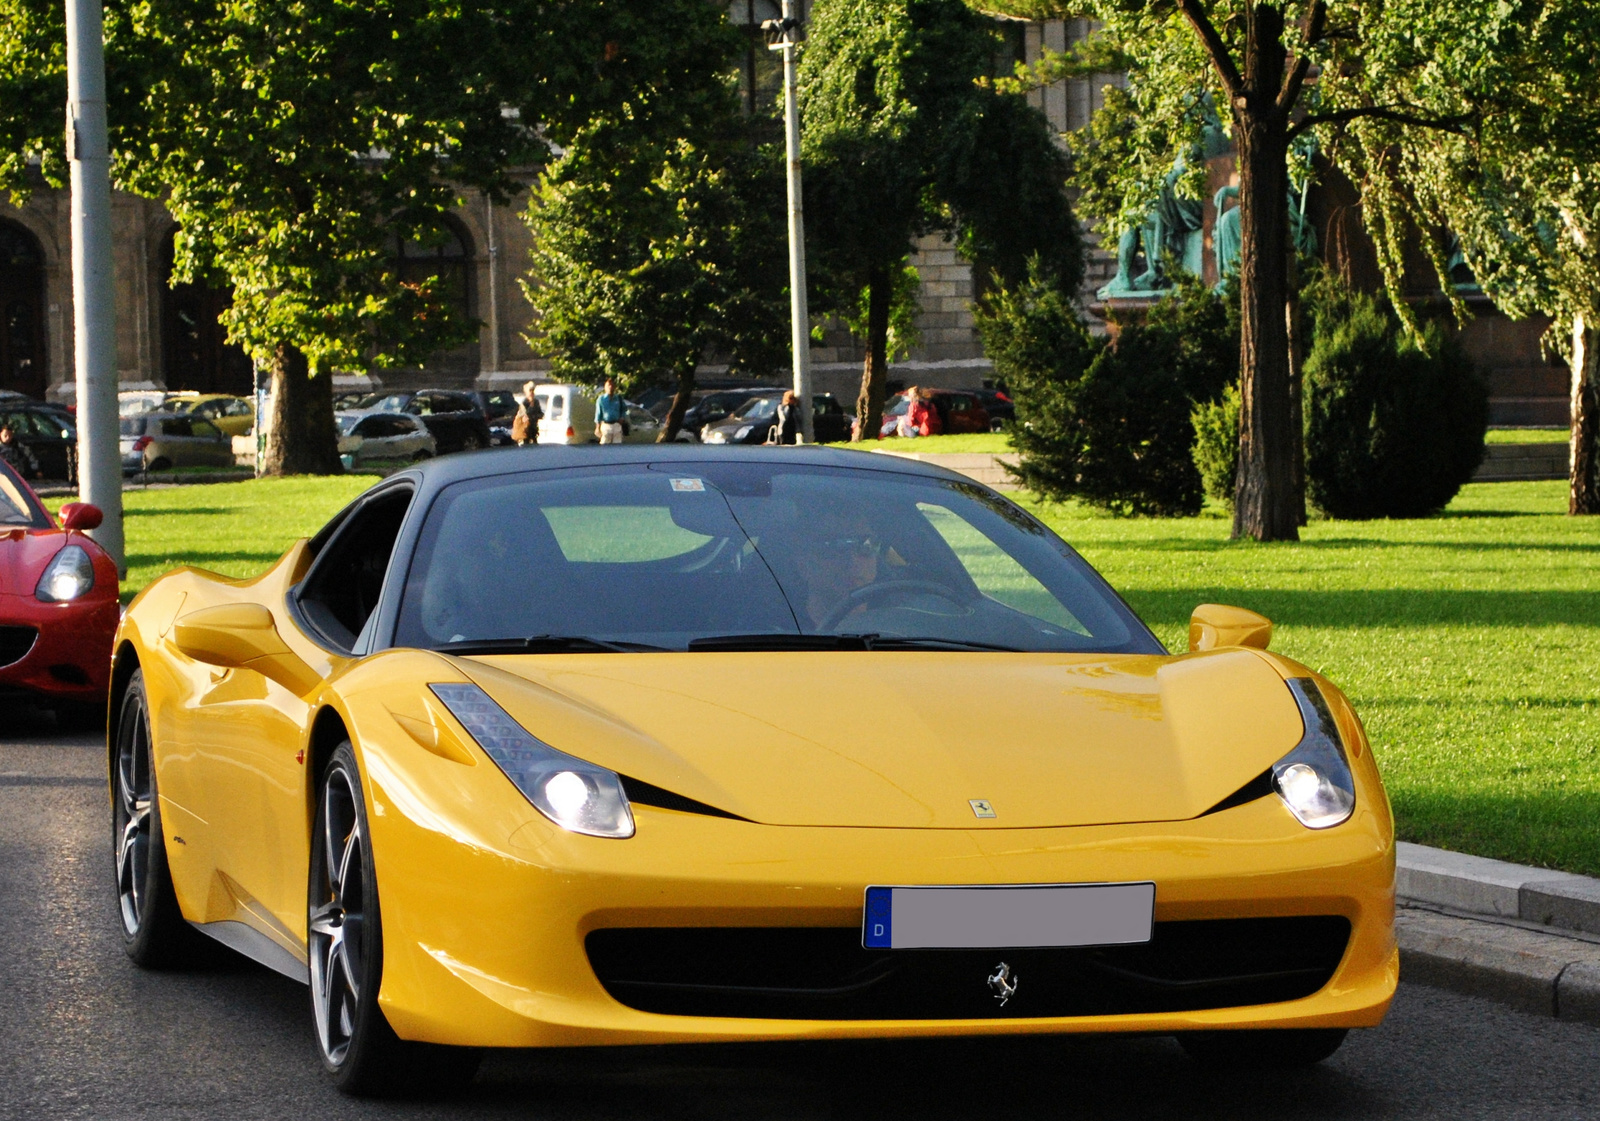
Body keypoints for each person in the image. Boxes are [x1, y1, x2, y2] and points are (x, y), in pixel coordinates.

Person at [511, 381, 543, 446]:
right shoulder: (524, 403)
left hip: (533, 428)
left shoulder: (536, 402)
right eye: (530, 391)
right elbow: (526, 414)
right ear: (526, 392)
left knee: (535, 444)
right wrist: (531, 406)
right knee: (526, 444)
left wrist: (537, 416)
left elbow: (540, 413)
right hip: (525, 429)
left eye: (533, 390)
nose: (532, 393)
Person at [595, 378, 625, 445]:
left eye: (612, 385)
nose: (610, 387)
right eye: (608, 385)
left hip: (616, 424)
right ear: (605, 388)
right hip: (606, 425)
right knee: (605, 444)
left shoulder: (618, 398)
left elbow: (624, 409)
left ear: (615, 387)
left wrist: (622, 418)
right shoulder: (601, 399)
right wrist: (597, 427)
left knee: (617, 444)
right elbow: (598, 413)